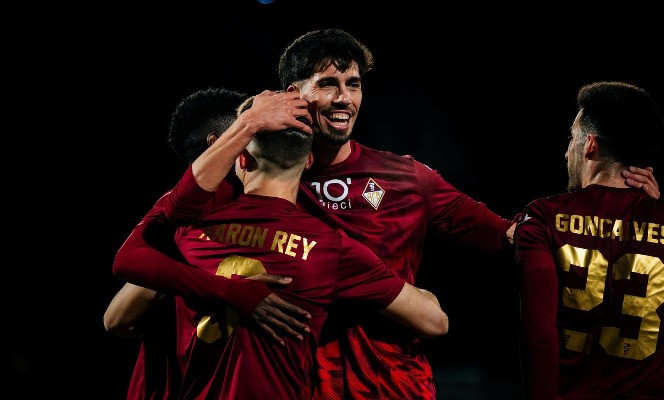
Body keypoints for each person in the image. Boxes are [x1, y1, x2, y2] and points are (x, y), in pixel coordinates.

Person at [159, 29, 661, 399]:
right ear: (292, 94)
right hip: (291, 384)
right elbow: (165, 244)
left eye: (353, 84)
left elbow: (513, 239)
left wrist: (630, 209)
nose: (343, 98)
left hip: (391, 385)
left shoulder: (407, 177)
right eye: (328, 83)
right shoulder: (254, 178)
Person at [167, 95, 448, 399]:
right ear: (309, 161)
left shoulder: (187, 231)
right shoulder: (331, 249)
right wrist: (426, 295)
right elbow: (435, 323)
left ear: (241, 158)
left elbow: (125, 313)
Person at [105, 87, 315, 399]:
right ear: (221, 143)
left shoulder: (265, 204)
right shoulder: (197, 208)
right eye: (255, 130)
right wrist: (227, 289)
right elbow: (116, 317)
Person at [514, 81, 664, 400]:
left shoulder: (543, 216)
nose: (567, 150)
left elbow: (539, 335)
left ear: (590, 145)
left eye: (572, 137)